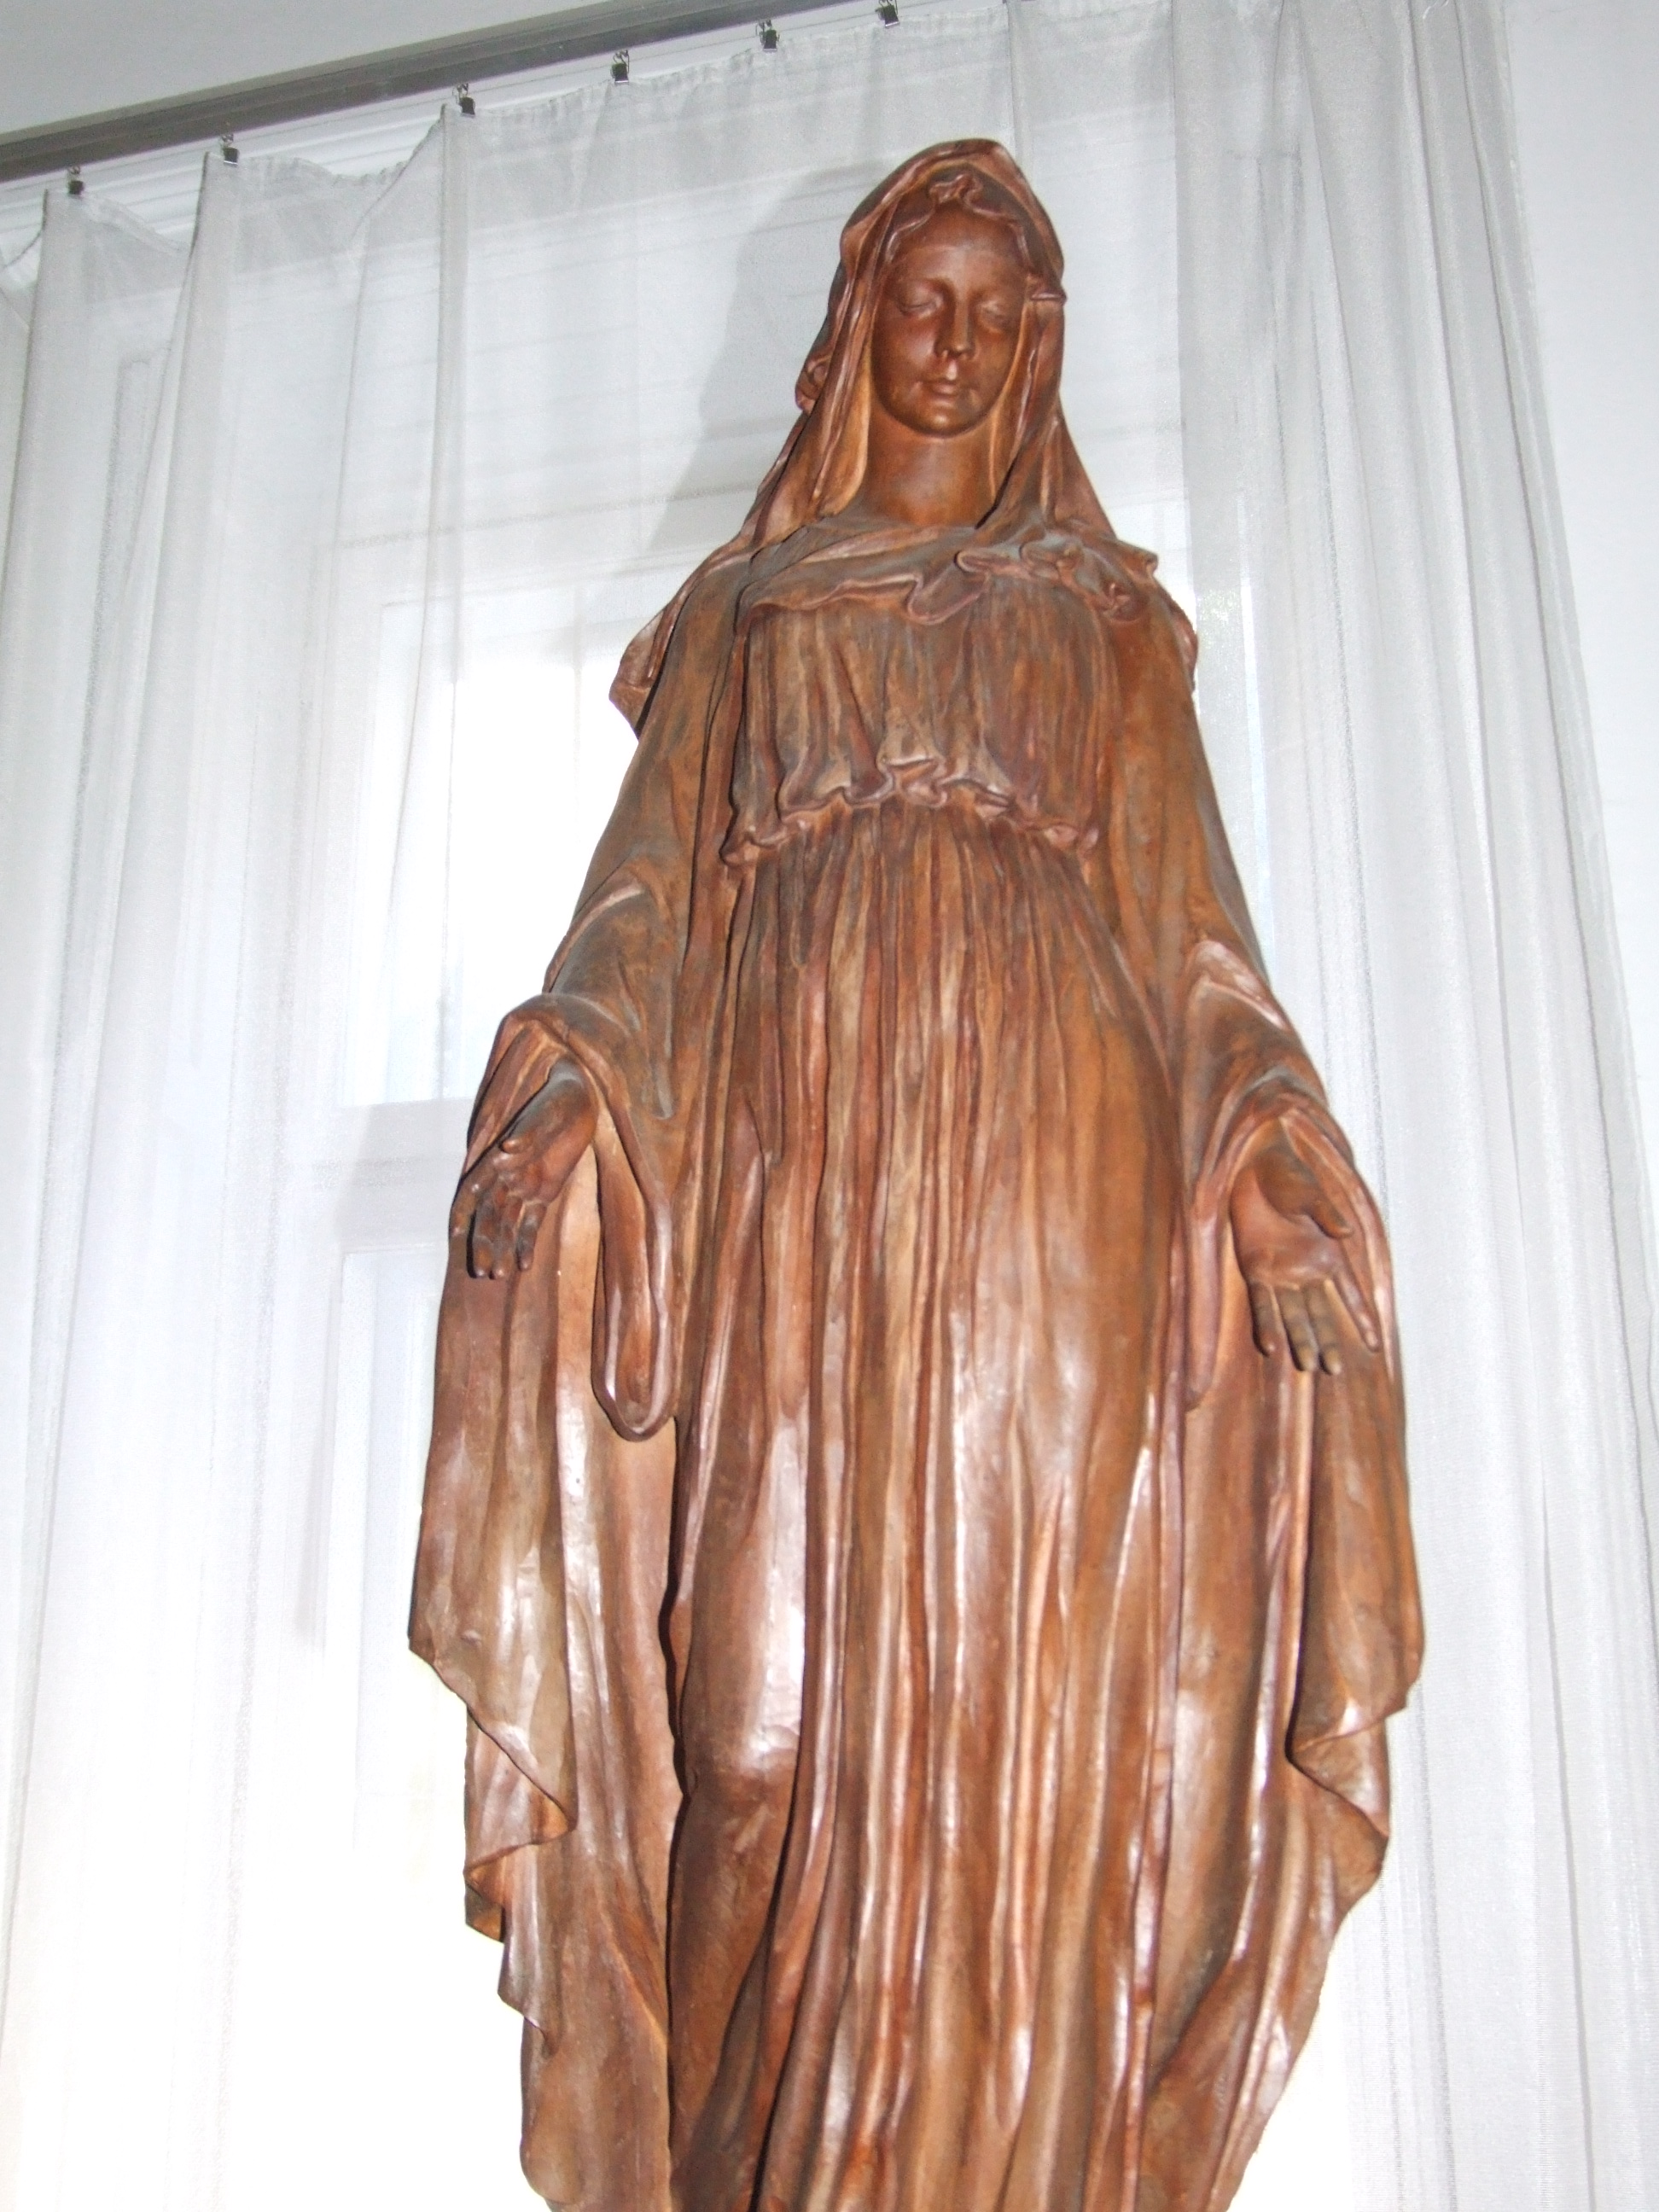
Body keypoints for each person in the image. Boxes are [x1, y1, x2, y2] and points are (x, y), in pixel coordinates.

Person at [411, 141, 1421, 2212]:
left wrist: (1261, 1181)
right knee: (753, 1736)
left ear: (1035, 344)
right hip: (796, 1209)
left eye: (989, 311)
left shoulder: (1108, 629)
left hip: (1058, 1191)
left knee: (1032, 1736)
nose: (948, 344)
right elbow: (643, 916)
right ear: (858, 325)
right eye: (917, 300)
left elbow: (1195, 946)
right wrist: (570, 1089)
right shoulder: (752, 615)